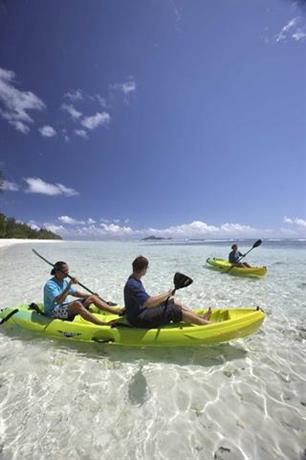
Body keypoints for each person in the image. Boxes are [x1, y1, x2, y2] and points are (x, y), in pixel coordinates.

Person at [124, 256, 212, 328]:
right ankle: (206, 325)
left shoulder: (134, 279)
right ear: (144, 269)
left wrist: (168, 296)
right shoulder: (133, 285)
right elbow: (149, 303)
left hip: (142, 311)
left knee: (172, 300)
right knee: (173, 310)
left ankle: (200, 317)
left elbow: (146, 301)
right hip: (139, 319)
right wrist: (166, 294)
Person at [44, 261, 124, 325]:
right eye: (65, 272)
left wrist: (92, 295)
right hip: (53, 312)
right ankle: (101, 323)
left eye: (68, 271)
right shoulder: (50, 284)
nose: (68, 273)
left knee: (92, 297)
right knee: (77, 304)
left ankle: (117, 312)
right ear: (57, 272)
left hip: (64, 307)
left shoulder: (64, 281)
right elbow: (59, 301)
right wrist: (69, 285)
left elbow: (76, 293)